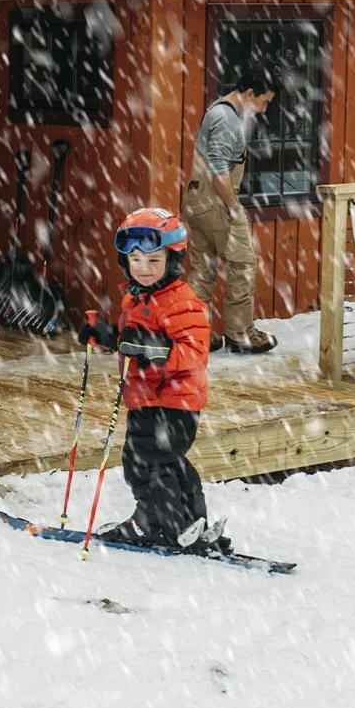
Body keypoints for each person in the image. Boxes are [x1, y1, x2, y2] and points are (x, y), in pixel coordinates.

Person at [77, 207, 223, 554]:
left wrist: (157, 351)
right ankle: (191, 521)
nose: (142, 268)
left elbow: (194, 352)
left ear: (173, 261)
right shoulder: (138, 297)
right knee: (165, 461)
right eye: (135, 259)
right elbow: (134, 341)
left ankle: (163, 524)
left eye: (153, 261)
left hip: (172, 402)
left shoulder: (181, 302)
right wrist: (107, 334)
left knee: (146, 463)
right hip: (148, 398)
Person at [183, 71, 281, 354]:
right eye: (263, 102)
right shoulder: (227, 119)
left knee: (202, 269)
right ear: (249, 93)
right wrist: (233, 207)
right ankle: (241, 334)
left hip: (195, 199)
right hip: (216, 202)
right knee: (243, 264)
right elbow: (218, 172)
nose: (263, 109)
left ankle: (195, 332)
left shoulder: (217, 109)